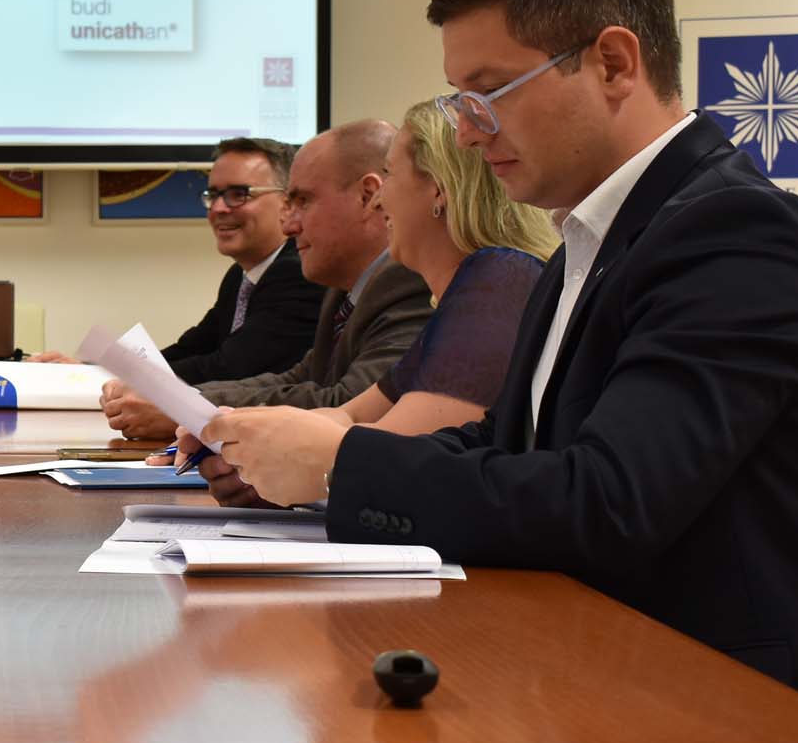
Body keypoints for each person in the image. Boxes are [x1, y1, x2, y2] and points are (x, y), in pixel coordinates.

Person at [209, 0, 798, 707]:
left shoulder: (736, 235)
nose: (466, 133)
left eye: (489, 93)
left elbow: (608, 500)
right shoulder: (588, 245)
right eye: (460, 100)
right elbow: (509, 442)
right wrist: (315, 462)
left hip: (740, 713)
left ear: (613, 64)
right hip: (609, 678)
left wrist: (342, 462)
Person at [183, 101, 554, 484]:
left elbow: (388, 459)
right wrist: (230, 428)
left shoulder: (498, 279)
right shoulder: (467, 290)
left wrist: (256, 452)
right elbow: (350, 416)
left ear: (439, 189)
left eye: (390, 175)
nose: (379, 199)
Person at [102, 120, 434, 446]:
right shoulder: (343, 290)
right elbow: (300, 379)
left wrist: (187, 409)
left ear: (369, 196)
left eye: (303, 201)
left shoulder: (409, 282)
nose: (288, 225)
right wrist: (185, 400)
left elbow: (348, 405)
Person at [29, 138, 324, 382]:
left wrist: (109, 378)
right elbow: (191, 348)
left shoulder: (298, 274)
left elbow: (228, 367)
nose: (219, 208)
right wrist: (92, 373)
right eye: (213, 195)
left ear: (287, 202)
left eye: (238, 194)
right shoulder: (241, 275)